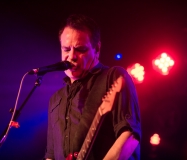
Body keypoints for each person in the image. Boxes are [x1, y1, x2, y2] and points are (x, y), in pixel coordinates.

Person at [45, 14, 141, 160]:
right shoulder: (55, 99)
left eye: (80, 49)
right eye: (66, 49)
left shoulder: (113, 77)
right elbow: (51, 155)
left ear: (96, 49)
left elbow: (130, 136)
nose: (72, 56)